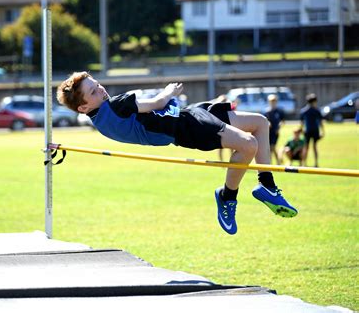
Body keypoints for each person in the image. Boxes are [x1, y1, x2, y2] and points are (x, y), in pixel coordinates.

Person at [57, 72, 298, 235]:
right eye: (93, 91)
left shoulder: (100, 122)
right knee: (248, 144)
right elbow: (156, 103)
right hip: (185, 126)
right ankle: (227, 195)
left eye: (97, 84)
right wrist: (169, 91)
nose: (101, 89)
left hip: (188, 114)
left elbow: (149, 118)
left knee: (260, 123)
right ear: (83, 107)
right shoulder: (115, 105)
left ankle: (267, 185)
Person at [300, 93, 324, 167]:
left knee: (306, 147)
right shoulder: (316, 110)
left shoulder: (304, 111)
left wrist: (301, 130)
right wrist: (323, 131)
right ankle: (316, 163)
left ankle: (304, 164)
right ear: (314, 101)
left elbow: (302, 123)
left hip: (307, 131)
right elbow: (320, 122)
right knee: (314, 147)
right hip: (314, 130)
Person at [264, 94, 284, 165]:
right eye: (271, 101)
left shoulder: (279, 111)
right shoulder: (266, 111)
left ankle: (274, 162)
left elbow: (282, 121)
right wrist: (268, 123)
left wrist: (279, 126)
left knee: (272, 147)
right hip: (268, 132)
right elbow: (264, 120)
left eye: (274, 101)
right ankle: (277, 162)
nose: (273, 102)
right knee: (270, 148)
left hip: (275, 132)